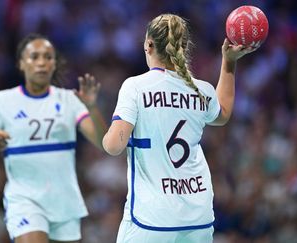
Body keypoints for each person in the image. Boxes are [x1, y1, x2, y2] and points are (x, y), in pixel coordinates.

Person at [102, 13, 256, 243]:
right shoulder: (200, 89)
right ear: (184, 48)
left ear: (149, 45)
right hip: (198, 215)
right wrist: (229, 62)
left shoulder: (135, 87)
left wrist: (110, 135)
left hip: (153, 219)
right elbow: (222, 113)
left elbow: (114, 146)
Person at [0, 33, 107, 243]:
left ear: (54, 64)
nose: (41, 62)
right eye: (34, 57)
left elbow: (103, 142)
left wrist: (91, 107)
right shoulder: (2, 102)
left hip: (64, 203)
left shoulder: (70, 100)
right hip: (25, 200)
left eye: (48, 57)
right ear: (21, 64)